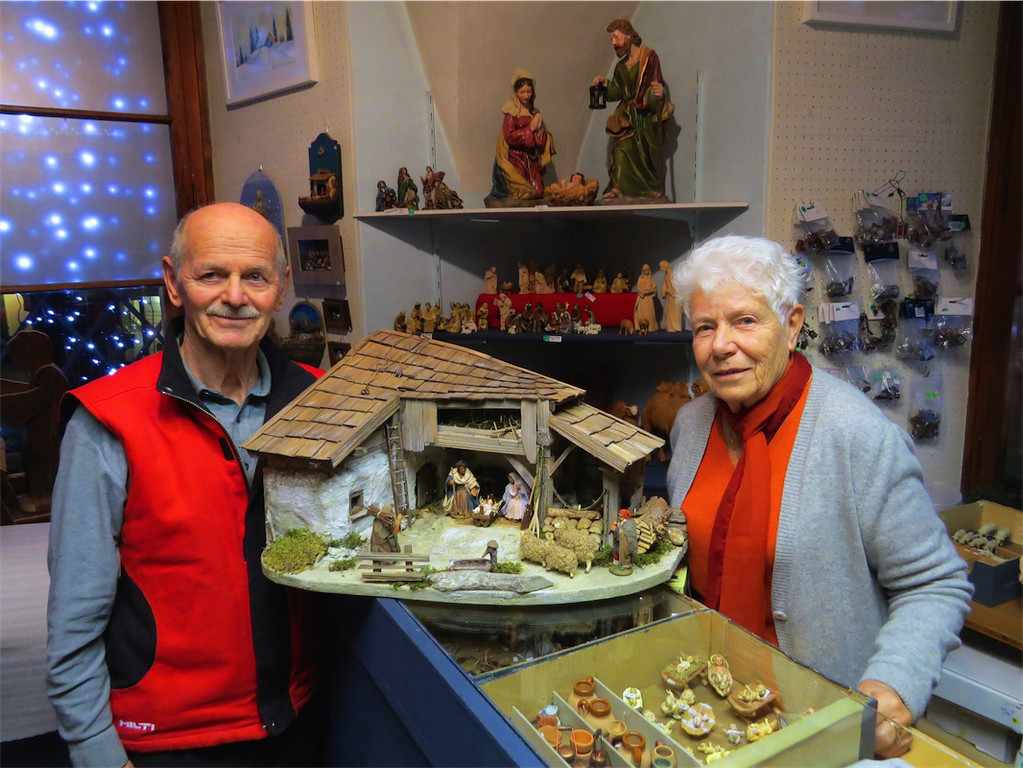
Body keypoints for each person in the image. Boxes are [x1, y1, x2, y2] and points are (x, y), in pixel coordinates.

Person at [665, 235, 972, 758]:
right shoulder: (691, 426)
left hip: (819, 727)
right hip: (709, 711)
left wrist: (893, 687)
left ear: (792, 326)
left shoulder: (856, 433)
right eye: (705, 327)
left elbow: (935, 583)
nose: (720, 346)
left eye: (745, 321)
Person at [46, 202, 326, 768]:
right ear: (174, 283)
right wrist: (97, 754)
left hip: (300, 716)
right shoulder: (108, 421)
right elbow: (74, 618)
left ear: (281, 287)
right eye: (211, 275)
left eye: (255, 277)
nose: (235, 296)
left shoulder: (321, 401)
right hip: (169, 740)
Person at [591, 19, 674, 200]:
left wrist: (658, 92)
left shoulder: (649, 58)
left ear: (628, 35)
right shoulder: (620, 66)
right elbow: (616, 92)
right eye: (611, 39)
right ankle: (617, 187)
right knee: (621, 150)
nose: (614, 43)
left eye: (616, 37)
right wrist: (604, 84)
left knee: (647, 156)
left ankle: (650, 188)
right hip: (626, 118)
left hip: (645, 117)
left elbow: (655, 84)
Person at [486, 69, 555, 206]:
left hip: (532, 159)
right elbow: (510, 137)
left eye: (529, 91)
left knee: (538, 192)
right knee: (524, 192)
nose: (526, 95)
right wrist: (530, 129)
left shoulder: (534, 112)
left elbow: (540, 143)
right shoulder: (511, 113)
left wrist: (540, 131)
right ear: (516, 92)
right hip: (516, 158)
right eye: (522, 92)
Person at [659, 259, 683, 333]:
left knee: (675, 313)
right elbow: (665, 285)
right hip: (670, 297)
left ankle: (675, 328)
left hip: (675, 297)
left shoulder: (673, 274)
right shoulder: (666, 275)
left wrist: (670, 290)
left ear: (665, 266)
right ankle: (669, 327)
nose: (661, 269)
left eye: (661, 267)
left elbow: (678, 286)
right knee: (667, 311)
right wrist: (664, 291)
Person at [633, 262, 658, 332]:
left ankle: (651, 327)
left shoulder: (650, 279)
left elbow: (654, 288)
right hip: (642, 299)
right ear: (643, 271)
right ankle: (642, 327)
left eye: (647, 270)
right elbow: (638, 288)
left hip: (649, 298)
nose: (646, 271)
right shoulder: (640, 278)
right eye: (645, 270)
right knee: (642, 313)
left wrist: (651, 291)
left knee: (650, 313)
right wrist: (644, 292)